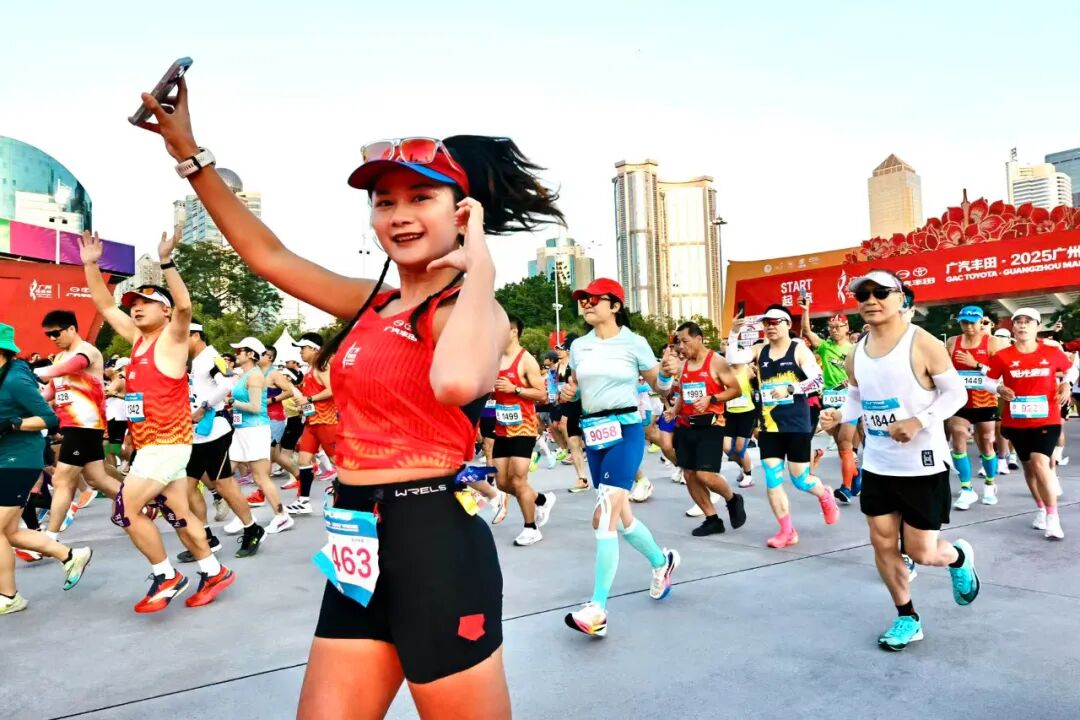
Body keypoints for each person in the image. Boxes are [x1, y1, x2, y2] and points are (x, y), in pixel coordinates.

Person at [137, 74, 573, 716]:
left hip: (435, 540)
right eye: (383, 201)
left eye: (421, 197)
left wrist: (479, 263)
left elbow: (456, 383)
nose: (398, 214)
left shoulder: (472, 309)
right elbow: (270, 256)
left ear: (463, 212)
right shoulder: (373, 302)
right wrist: (191, 157)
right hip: (356, 536)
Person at [821, 270, 978, 651]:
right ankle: (907, 616)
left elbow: (956, 394)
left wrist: (918, 421)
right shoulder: (856, 351)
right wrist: (840, 415)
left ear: (901, 299)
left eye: (880, 293)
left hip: (922, 464)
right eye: (863, 295)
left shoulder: (922, 342)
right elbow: (856, 396)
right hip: (878, 464)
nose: (870, 301)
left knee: (922, 551)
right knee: (883, 544)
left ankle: (958, 557)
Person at [82, 228, 234, 612]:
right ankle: (213, 570)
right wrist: (90, 265)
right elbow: (105, 305)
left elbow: (184, 307)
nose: (136, 308)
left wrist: (166, 260)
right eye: (133, 303)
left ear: (164, 311)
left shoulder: (172, 338)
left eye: (146, 303)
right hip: (154, 444)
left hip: (168, 444)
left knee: (126, 510)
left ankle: (166, 576)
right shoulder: (137, 341)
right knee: (179, 514)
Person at [559, 278, 680, 637]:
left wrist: (667, 376)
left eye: (594, 299)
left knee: (603, 517)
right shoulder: (579, 346)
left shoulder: (634, 342)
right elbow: (576, 387)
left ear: (615, 306)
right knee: (622, 518)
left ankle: (597, 609)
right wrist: (569, 392)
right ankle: (661, 561)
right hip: (594, 433)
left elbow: (660, 386)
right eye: (583, 300)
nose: (586, 304)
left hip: (626, 431)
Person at [0, 324, 93, 614]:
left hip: (19, 459)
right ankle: (70, 555)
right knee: (10, 532)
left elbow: (49, 418)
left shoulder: (15, 379)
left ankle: (8, 596)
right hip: (5, 458)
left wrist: (13, 424)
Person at [753, 305, 840, 548]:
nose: (770, 326)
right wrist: (735, 333)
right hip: (769, 424)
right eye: (766, 323)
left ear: (787, 324)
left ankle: (824, 494)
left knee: (800, 479)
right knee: (772, 478)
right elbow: (734, 360)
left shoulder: (798, 349)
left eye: (775, 322)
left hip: (796, 423)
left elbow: (818, 381)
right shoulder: (760, 350)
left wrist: (791, 388)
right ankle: (787, 531)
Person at [988, 308, 1077, 539]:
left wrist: (1066, 384)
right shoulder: (1003, 356)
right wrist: (998, 388)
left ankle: (1053, 518)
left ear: (1037, 326)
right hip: (1016, 421)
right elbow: (987, 380)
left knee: (1040, 463)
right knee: (1029, 468)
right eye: (1018, 321)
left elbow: (1071, 370)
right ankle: (1041, 509)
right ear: (1013, 327)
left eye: (1028, 321)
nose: (1022, 325)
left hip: (1047, 418)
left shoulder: (1051, 352)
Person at [184, 320, 268, 559]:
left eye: (183, 335)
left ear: (196, 336)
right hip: (197, 434)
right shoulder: (195, 361)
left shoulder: (211, 357)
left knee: (223, 485)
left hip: (215, 432)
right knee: (187, 487)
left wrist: (203, 407)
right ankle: (205, 538)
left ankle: (252, 528)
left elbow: (226, 383)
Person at [35, 310, 120, 540]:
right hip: (72, 425)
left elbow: (70, 367)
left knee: (61, 479)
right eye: (48, 335)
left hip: (84, 424)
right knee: (97, 478)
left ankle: (50, 537)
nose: (52, 338)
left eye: (56, 333)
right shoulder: (60, 358)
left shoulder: (86, 351)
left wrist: (33, 371)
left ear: (72, 329)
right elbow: (51, 391)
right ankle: (147, 504)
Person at [666, 321, 746, 536]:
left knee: (705, 475)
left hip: (711, 425)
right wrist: (674, 410)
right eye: (678, 342)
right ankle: (712, 519)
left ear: (699, 339)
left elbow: (736, 390)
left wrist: (712, 398)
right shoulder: (684, 365)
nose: (681, 346)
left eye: (685, 341)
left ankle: (732, 498)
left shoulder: (716, 362)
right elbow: (683, 394)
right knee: (689, 474)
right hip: (685, 426)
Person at [491, 316, 555, 546]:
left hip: (524, 427)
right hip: (502, 427)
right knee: (502, 482)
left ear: (514, 332)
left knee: (518, 480)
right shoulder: (495, 358)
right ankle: (541, 500)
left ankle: (531, 528)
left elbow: (542, 394)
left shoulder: (526, 360)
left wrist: (515, 388)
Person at [227, 337, 294, 535]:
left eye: (239, 351)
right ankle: (244, 515)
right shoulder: (245, 375)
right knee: (224, 475)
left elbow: (256, 407)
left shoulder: (255, 376)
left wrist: (232, 403)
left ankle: (282, 516)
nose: (236, 354)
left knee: (260, 477)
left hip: (255, 429)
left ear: (250, 354)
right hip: (242, 430)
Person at [799, 300, 863, 503]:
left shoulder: (855, 349)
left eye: (838, 327)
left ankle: (846, 488)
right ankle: (856, 475)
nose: (834, 330)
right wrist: (806, 310)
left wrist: (852, 380)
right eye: (831, 327)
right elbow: (807, 331)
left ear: (847, 328)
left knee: (844, 443)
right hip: (829, 401)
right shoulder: (825, 347)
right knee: (841, 446)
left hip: (850, 402)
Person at [946, 306, 1008, 510]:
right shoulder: (952, 342)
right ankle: (966, 488)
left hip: (985, 400)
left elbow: (1001, 373)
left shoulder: (993, 342)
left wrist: (976, 365)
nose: (969, 327)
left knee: (987, 443)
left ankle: (990, 484)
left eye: (973, 323)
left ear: (982, 322)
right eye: (964, 322)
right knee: (958, 437)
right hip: (960, 400)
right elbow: (943, 369)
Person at [554, 335, 590, 492]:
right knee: (573, 440)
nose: (561, 351)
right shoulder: (560, 366)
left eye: (564, 348)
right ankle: (582, 478)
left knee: (594, 442)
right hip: (569, 403)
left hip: (588, 404)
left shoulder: (584, 363)